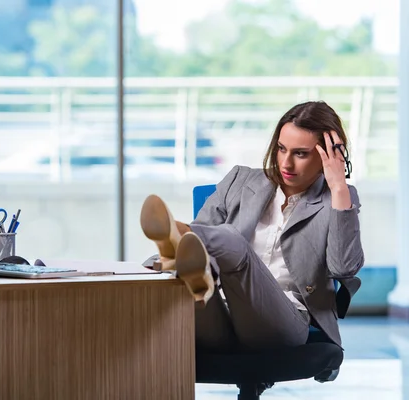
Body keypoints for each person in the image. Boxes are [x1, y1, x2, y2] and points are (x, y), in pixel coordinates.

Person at [140, 101, 363, 352]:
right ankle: (179, 243)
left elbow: (344, 267)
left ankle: (178, 232)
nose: (286, 163)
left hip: (287, 319)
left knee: (234, 243)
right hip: (219, 312)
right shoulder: (239, 180)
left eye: (300, 153)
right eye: (281, 149)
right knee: (194, 270)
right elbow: (199, 247)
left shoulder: (337, 198)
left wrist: (338, 187)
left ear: (330, 155)